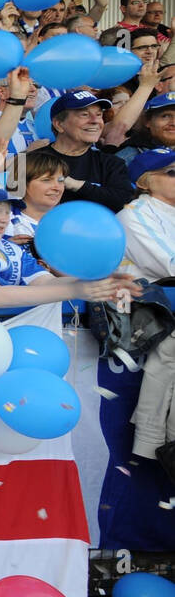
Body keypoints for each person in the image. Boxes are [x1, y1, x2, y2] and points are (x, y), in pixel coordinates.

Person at [0, 187, 133, 307]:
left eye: (8, 212)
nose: (5, 219)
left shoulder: (9, 247)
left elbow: (45, 282)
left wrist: (98, 281)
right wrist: (78, 290)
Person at [116, 148, 175, 459]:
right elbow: (171, 265)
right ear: (144, 182)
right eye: (172, 172)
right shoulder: (135, 213)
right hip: (152, 317)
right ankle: (154, 444)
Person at [46, 91, 134, 211]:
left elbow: (126, 202)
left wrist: (78, 186)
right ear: (59, 125)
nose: (95, 121)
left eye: (98, 115)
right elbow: (14, 201)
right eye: (84, 115)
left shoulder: (112, 163)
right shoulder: (26, 160)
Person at [6, 149, 69, 243]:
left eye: (61, 181)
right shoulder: (2, 220)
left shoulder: (71, 224)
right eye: (46, 180)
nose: (57, 188)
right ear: (21, 183)